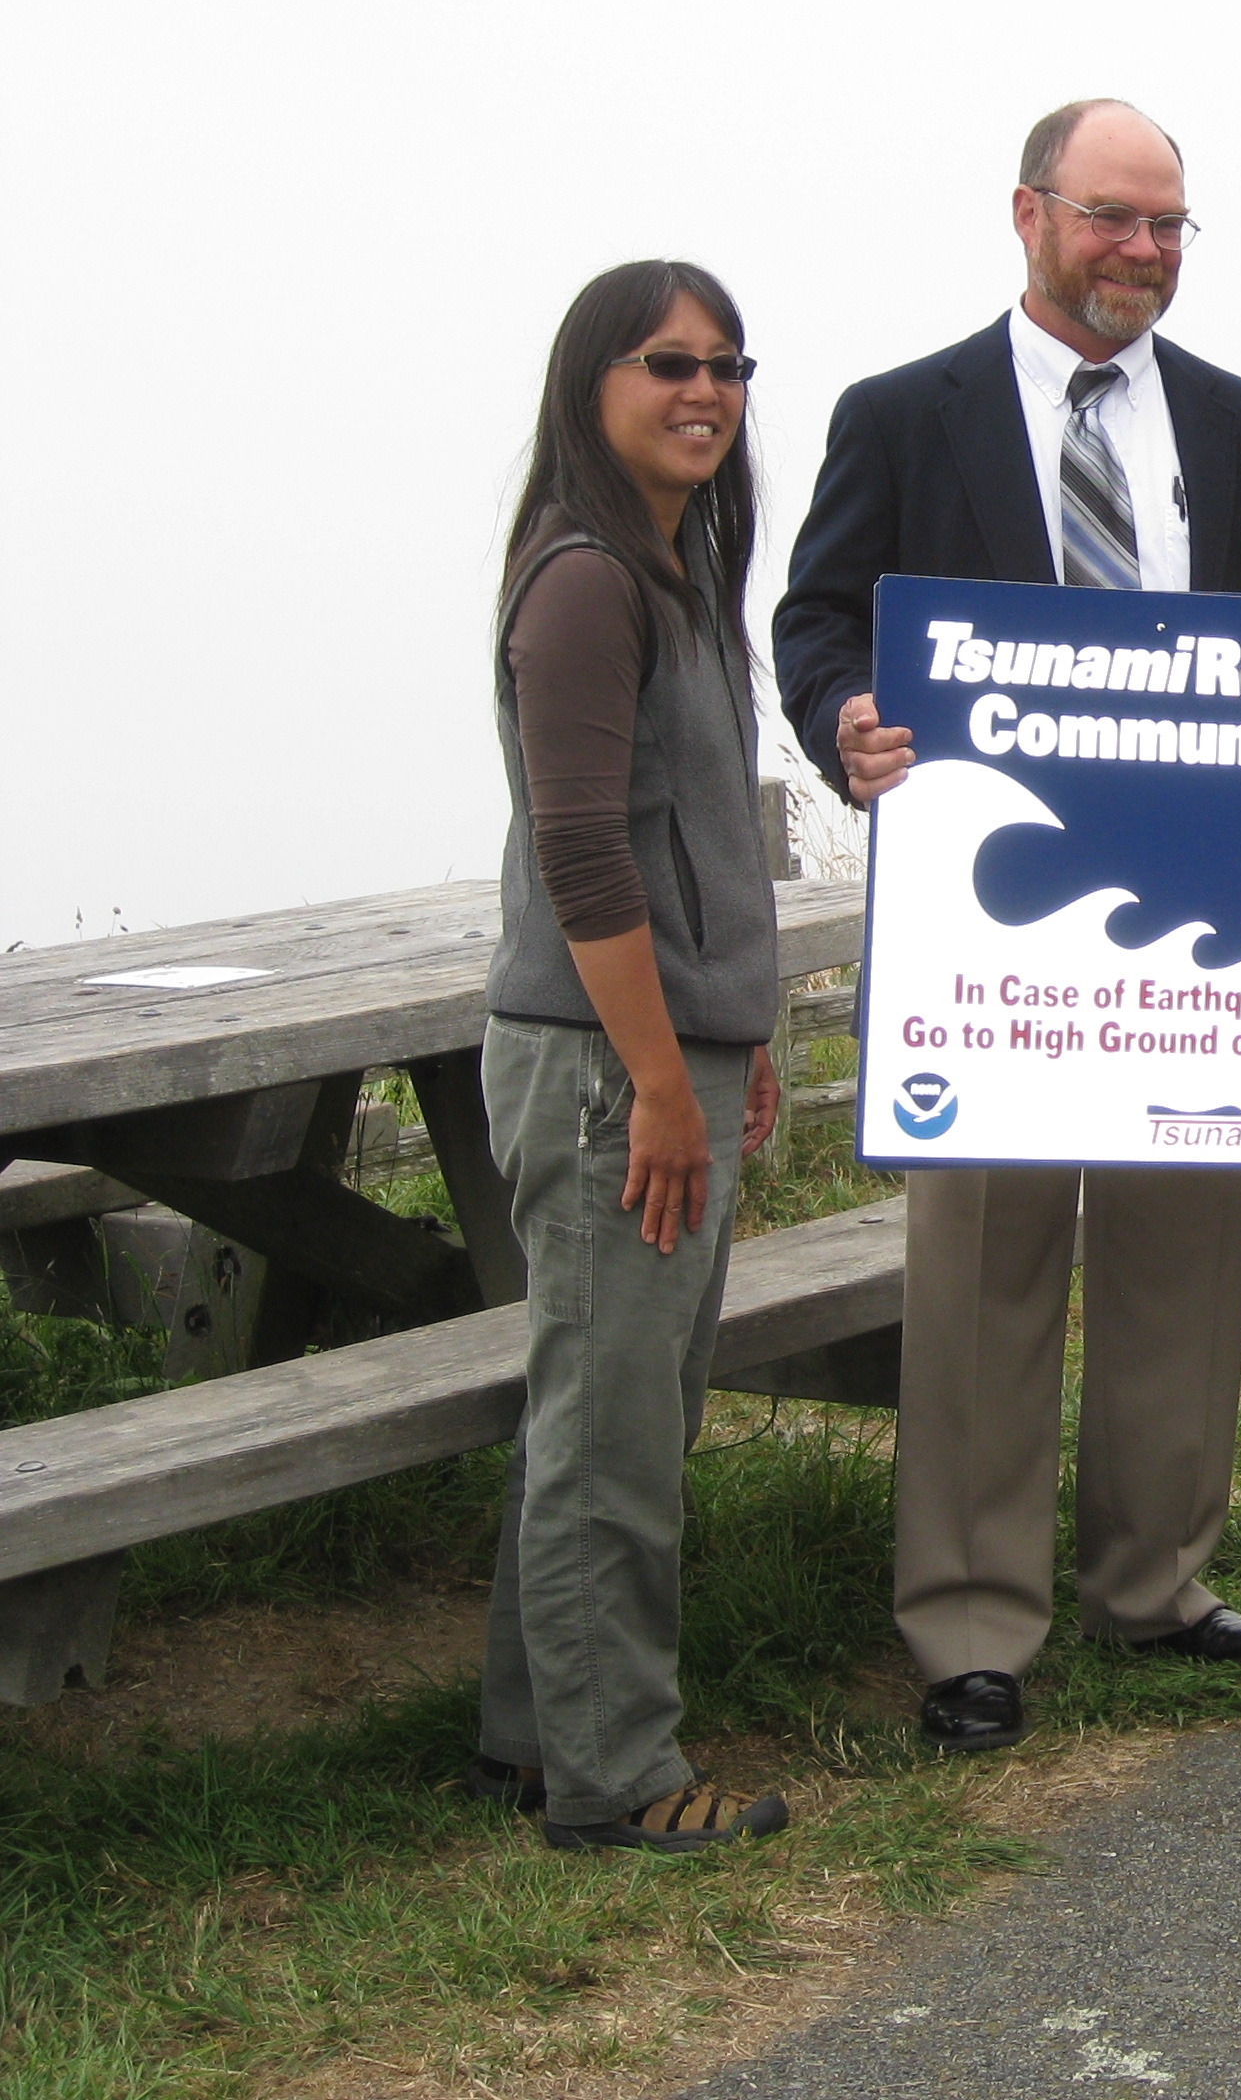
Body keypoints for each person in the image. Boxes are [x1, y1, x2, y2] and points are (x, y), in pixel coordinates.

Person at [771, 99, 1241, 1756]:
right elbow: (815, 616)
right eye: (1111, 220)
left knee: (1182, 1260)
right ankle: (968, 1625)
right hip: (992, 930)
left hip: (1188, 934)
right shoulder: (903, 413)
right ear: (1029, 213)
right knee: (985, 1270)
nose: (1141, 254)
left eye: (1168, 227)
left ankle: (1157, 1582)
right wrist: (846, 721)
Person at [470, 260, 788, 1851]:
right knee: (610, 1436)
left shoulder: (671, 572)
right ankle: (618, 1778)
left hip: (667, 1053)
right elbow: (585, 855)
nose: (704, 392)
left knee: (610, 1408)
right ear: (591, 381)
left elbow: (697, 838)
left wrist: (738, 1032)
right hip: (609, 1070)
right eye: (668, 363)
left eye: (729, 367)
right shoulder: (586, 579)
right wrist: (664, 1079)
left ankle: (540, 1735)